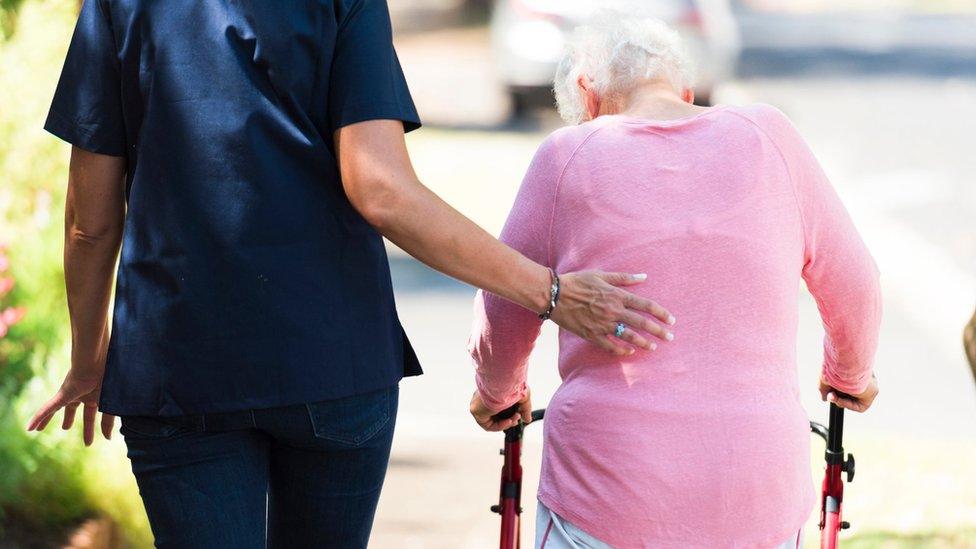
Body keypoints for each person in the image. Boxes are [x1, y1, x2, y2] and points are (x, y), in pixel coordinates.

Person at [25, 1, 676, 547]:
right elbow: (383, 191)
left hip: (177, 365)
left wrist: (88, 360)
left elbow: (91, 217)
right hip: (331, 362)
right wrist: (550, 293)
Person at [468, 14, 881, 549]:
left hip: (607, 493)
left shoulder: (567, 155)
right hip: (757, 491)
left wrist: (497, 394)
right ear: (684, 91)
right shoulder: (772, 138)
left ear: (585, 96)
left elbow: (505, 304)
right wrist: (848, 376)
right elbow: (856, 283)